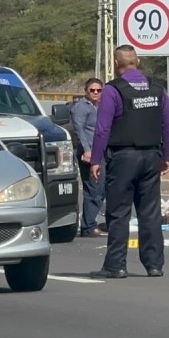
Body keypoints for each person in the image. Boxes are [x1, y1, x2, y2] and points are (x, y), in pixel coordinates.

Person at [88, 45, 169, 279]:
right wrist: (167, 156)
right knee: (150, 213)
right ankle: (154, 265)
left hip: (123, 157)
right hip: (151, 156)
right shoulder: (157, 89)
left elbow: (103, 128)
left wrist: (95, 159)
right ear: (138, 61)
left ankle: (116, 265)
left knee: (119, 213)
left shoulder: (113, 90)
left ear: (117, 64)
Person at [71, 78, 106, 237]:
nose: (95, 93)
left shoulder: (101, 106)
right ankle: (88, 227)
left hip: (101, 152)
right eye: (92, 90)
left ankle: (91, 223)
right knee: (94, 188)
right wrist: (86, 150)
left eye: (99, 90)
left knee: (101, 188)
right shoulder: (81, 107)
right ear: (86, 91)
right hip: (90, 153)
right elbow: (79, 129)